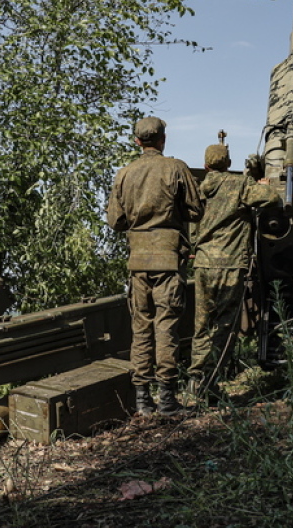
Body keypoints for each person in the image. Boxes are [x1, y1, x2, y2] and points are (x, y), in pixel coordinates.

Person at [106, 116, 203, 417]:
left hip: (138, 261)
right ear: (163, 139)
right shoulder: (176, 168)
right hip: (168, 259)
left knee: (141, 328)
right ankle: (168, 400)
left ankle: (142, 400)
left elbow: (115, 221)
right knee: (166, 326)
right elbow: (196, 210)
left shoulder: (124, 174)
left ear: (137, 141)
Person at [188, 141, 279, 403]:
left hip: (203, 264)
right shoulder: (239, 184)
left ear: (206, 165)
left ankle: (195, 379)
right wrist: (264, 186)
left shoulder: (199, 189)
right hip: (229, 265)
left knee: (202, 325)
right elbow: (272, 199)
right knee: (225, 326)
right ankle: (209, 385)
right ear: (228, 163)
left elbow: (192, 229)